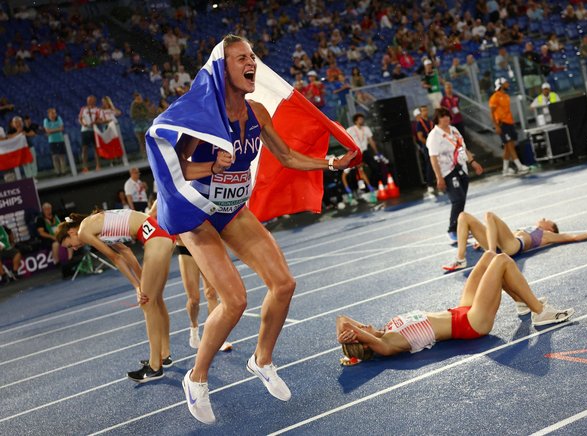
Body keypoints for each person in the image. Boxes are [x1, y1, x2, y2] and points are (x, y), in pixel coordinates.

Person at [146, 35, 357, 424]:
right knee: (235, 300)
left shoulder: (257, 110)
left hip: (232, 209)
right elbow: (175, 167)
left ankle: (262, 360)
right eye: (241, 57)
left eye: (254, 57)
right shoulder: (202, 117)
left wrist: (330, 164)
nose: (252, 63)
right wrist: (211, 167)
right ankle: (197, 378)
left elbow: (287, 156)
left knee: (284, 284)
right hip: (198, 214)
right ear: (221, 68)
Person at [337, 251, 575, 364]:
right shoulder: (387, 345)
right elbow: (351, 327)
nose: (360, 325)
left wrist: (344, 335)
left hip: (460, 310)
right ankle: (540, 312)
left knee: (490, 256)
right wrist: (351, 337)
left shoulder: (385, 330)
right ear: (364, 341)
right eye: (360, 330)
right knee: (502, 261)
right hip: (471, 323)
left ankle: (523, 301)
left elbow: (342, 319)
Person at [55, 208, 175, 382]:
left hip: (156, 239)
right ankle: (164, 355)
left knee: (147, 304)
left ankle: (155, 367)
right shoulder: (97, 225)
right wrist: (141, 281)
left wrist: (137, 287)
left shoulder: (84, 231)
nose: (74, 247)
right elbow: (125, 252)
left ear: (72, 231)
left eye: (70, 244)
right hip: (164, 236)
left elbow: (115, 258)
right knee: (155, 300)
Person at [443, 211, 587, 271]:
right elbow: (501, 232)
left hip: (512, 246)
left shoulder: (546, 235)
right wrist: (483, 239)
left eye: (548, 219)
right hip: (502, 243)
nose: (543, 217)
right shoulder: (530, 228)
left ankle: (489, 253)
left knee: (489, 215)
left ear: (551, 228)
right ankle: (460, 259)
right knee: (463, 216)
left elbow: (572, 237)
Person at [428, 108, 483, 245]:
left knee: (462, 198)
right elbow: (433, 158)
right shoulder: (434, 136)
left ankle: (460, 227)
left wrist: (473, 162)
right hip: (447, 171)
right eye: (442, 117)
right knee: (457, 200)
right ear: (437, 119)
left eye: (447, 116)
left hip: (461, 168)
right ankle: (452, 230)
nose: (446, 118)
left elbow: (463, 149)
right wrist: (439, 177)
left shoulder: (454, 130)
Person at [489, 78, 529, 177]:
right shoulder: (494, 97)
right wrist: (496, 126)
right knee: (510, 144)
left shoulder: (506, 96)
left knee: (507, 147)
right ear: (501, 84)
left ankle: (505, 170)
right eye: (506, 83)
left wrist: (512, 122)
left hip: (509, 122)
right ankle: (519, 166)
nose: (508, 84)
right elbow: (492, 113)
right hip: (502, 124)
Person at [346, 113, 383, 186]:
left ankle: (374, 184)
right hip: (356, 152)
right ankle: (361, 188)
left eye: (362, 119)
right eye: (360, 119)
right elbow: (344, 139)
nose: (362, 120)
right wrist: (348, 149)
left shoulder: (366, 129)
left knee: (375, 167)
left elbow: (371, 141)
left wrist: (376, 152)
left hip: (365, 151)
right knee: (357, 171)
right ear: (355, 121)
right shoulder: (350, 129)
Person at [413, 105, 437, 198]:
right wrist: (429, 143)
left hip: (435, 145)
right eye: (423, 111)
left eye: (426, 110)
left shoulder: (431, 121)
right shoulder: (420, 123)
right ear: (420, 112)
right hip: (427, 146)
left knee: (438, 164)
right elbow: (420, 137)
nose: (425, 112)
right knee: (430, 165)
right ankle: (430, 185)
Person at [78, 95, 103, 172]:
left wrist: (95, 122)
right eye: (88, 100)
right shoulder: (83, 109)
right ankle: (85, 167)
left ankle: (98, 165)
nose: (90, 101)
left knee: (96, 148)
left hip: (94, 130)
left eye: (91, 100)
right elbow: (79, 118)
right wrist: (83, 123)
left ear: (94, 101)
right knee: (84, 149)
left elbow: (100, 119)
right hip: (85, 130)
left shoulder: (97, 110)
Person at [43, 107, 67, 176]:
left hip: (60, 139)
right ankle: (57, 172)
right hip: (52, 141)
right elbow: (47, 130)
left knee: (62, 156)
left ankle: (63, 171)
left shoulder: (59, 118)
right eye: (52, 113)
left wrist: (52, 130)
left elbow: (62, 128)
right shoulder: (46, 120)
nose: (54, 114)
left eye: (55, 113)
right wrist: (57, 129)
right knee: (55, 157)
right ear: (49, 114)